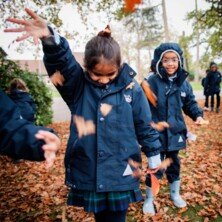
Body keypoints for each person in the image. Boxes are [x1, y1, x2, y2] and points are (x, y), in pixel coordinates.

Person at [5, 8, 162, 222]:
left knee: (117, 217)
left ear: (120, 67)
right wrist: (51, 40)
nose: (104, 80)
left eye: (110, 75)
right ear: (86, 67)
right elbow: (63, 64)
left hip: (121, 170)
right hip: (91, 170)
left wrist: (154, 155)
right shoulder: (78, 86)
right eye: (97, 74)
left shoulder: (132, 89)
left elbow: (145, 125)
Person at [141, 43, 205, 215]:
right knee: (155, 167)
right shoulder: (151, 82)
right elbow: (142, 109)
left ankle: (175, 193)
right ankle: (149, 199)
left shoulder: (183, 82)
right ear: (159, 62)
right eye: (166, 60)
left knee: (174, 164)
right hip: (156, 135)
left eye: (174, 59)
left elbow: (190, 102)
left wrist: (197, 115)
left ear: (179, 61)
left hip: (175, 133)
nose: (170, 64)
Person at [0, 88, 60, 167]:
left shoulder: (10, 95)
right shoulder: (26, 95)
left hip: (20, 117)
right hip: (26, 117)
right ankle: (18, 156)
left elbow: (7, 124)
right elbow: (8, 125)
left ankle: (16, 157)